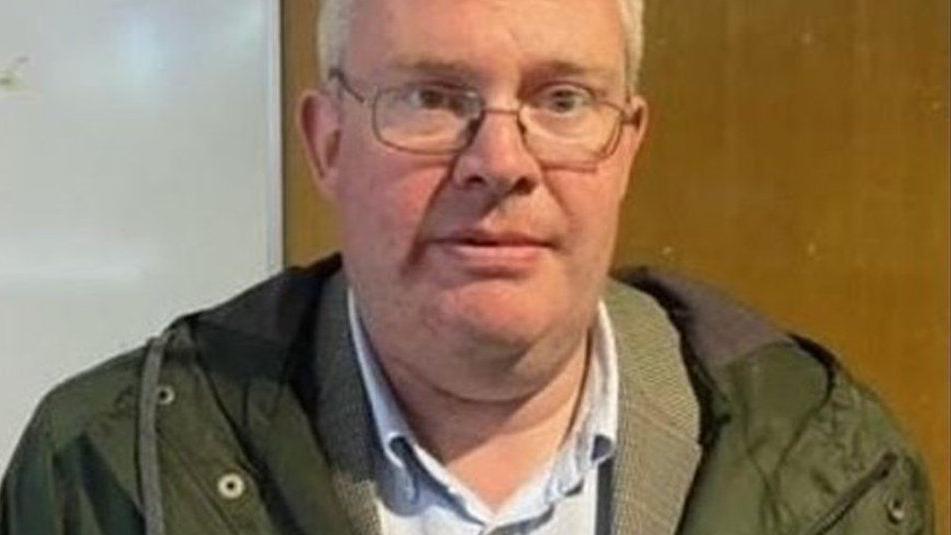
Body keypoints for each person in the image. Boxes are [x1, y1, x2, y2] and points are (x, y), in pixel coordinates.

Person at [0, 0, 935, 533]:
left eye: (562, 99)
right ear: (327, 145)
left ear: (624, 150)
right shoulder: (110, 470)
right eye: (432, 97)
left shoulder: (832, 474)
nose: (501, 160)